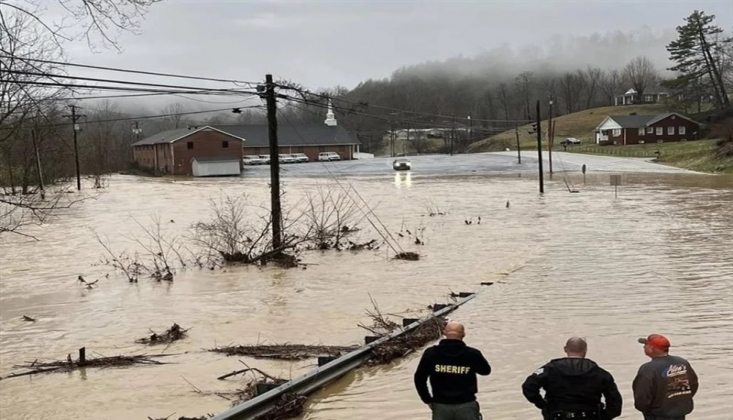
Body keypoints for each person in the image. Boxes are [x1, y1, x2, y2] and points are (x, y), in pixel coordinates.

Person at [521, 337, 622, 420]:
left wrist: (543, 405)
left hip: (557, 416)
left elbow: (528, 387)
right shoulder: (600, 373)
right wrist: (604, 416)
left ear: (565, 349)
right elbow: (615, 402)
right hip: (590, 416)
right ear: (585, 350)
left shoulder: (550, 369)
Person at [414, 321, 491, 420]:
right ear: (463, 334)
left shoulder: (431, 353)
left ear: (444, 333)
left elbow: (419, 379)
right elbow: (485, 371)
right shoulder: (472, 354)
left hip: (441, 406)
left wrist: (427, 399)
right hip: (466, 405)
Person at [633, 334, 699, 420]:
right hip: (680, 413)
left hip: (657, 415)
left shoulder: (648, 369)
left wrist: (648, 410)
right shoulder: (682, 362)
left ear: (651, 348)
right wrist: (681, 401)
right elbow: (693, 384)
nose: (644, 347)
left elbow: (642, 396)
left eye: (645, 345)